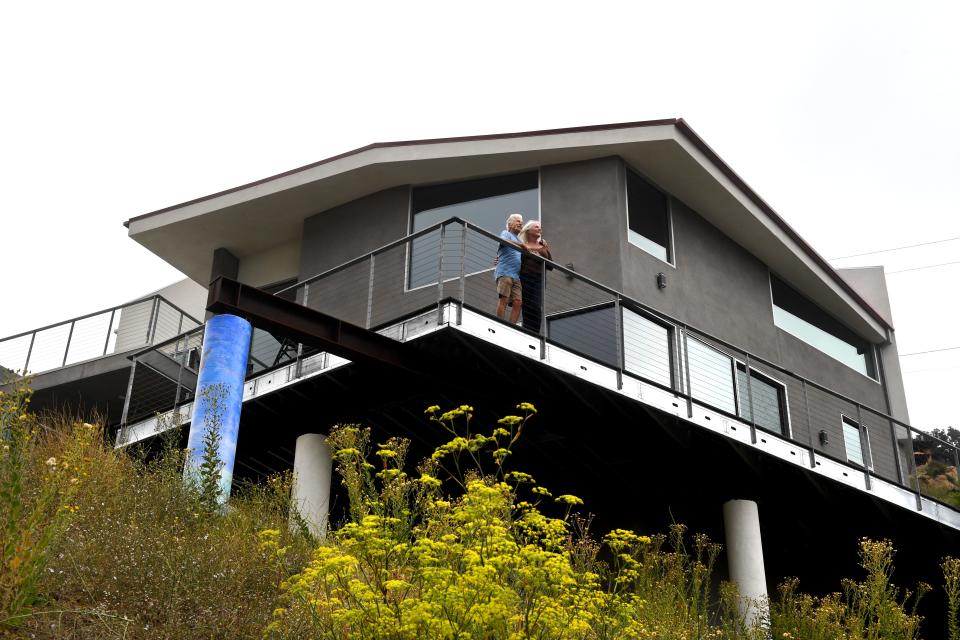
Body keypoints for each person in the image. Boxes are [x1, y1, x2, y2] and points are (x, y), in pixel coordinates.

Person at [518, 220, 552, 333]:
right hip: (525, 277)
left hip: (539, 278)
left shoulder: (543, 246)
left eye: (540, 227)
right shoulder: (522, 246)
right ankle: (527, 332)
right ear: (529, 230)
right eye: (536, 227)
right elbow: (516, 261)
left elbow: (551, 265)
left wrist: (541, 256)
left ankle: (535, 333)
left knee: (536, 306)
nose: (539, 229)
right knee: (527, 306)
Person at [495, 213, 523, 323]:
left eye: (521, 221)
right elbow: (503, 241)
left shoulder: (520, 240)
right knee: (504, 299)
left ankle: (512, 327)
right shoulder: (505, 233)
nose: (521, 223)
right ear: (510, 224)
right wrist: (522, 245)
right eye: (518, 221)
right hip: (505, 272)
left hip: (516, 275)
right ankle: (500, 324)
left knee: (518, 302)